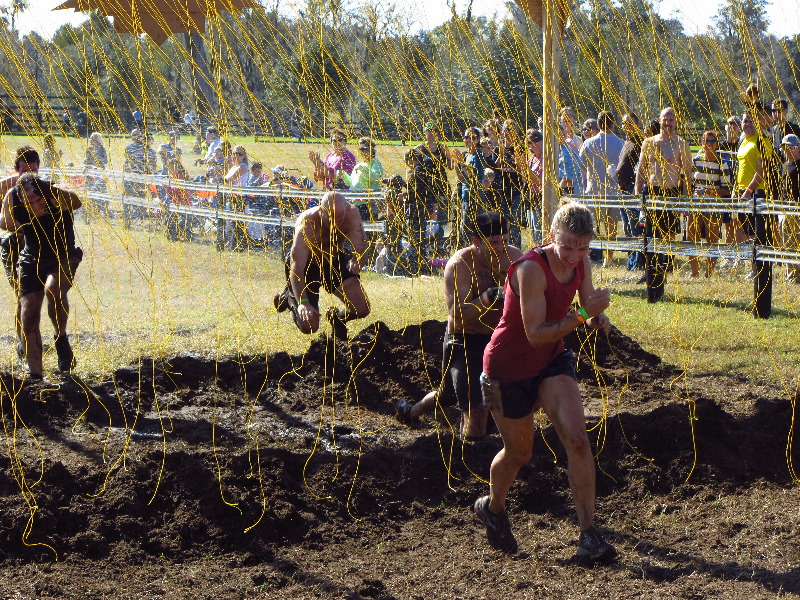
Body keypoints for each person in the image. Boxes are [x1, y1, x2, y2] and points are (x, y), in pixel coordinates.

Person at [474, 200, 616, 562]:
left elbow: (585, 305)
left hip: (551, 360)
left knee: (578, 440)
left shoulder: (580, 261)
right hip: (507, 368)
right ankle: (493, 508)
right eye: (567, 245)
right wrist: (585, 314)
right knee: (520, 453)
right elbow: (536, 333)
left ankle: (588, 535)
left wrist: (599, 319)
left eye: (582, 247)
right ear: (552, 237)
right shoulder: (530, 269)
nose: (574, 254)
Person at [395, 213, 523, 439]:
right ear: (476, 242)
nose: (500, 247)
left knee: (528, 392)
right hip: (466, 340)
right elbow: (458, 317)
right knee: (451, 399)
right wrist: (488, 297)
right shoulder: (460, 264)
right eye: (494, 242)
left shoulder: (515, 257)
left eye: (504, 239)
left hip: (502, 339)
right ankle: (411, 412)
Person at [1, 173, 83, 378]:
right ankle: (35, 375)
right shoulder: (14, 200)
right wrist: (11, 201)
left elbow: (77, 202)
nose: (36, 203)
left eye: (38, 198)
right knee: (28, 315)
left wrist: (52, 190)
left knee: (53, 290)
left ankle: (61, 339)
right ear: (22, 199)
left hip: (63, 256)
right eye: (30, 200)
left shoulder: (57, 196)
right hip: (31, 260)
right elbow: (7, 224)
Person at [273, 191, 370, 340]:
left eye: (340, 219)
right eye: (331, 219)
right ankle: (289, 298)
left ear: (346, 210)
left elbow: (362, 247)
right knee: (309, 326)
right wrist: (303, 303)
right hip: (306, 267)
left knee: (362, 309)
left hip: (333, 259)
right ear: (321, 211)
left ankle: (338, 319)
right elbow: (297, 267)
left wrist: (358, 261)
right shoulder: (307, 225)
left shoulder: (352, 214)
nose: (336, 224)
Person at [634, 107, 693, 301]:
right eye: (665, 119)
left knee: (668, 235)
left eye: (671, 120)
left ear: (676, 122)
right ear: (659, 120)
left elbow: (687, 175)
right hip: (652, 192)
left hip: (672, 192)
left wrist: (685, 200)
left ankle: (664, 271)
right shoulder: (649, 143)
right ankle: (650, 273)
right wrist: (637, 194)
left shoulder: (681, 144)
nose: (667, 123)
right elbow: (641, 170)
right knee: (651, 234)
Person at [579, 111, 624, 266]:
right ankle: (608, 258)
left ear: (598, 125)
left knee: (593, 225)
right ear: (613, 124)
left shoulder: (588, 143)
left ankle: (592, 255)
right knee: (612, 226)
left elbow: (582, 165)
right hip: (613, 190)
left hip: (595, 189)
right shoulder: (621, 143)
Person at [406, 122, 453, 266]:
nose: (432, 133)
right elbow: (410, 165)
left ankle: (439, 248)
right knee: (425, 217)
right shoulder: (419, 149)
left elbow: (449, 166)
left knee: (440, 218)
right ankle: (423, 248)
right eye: (429, 131)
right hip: (424, 188)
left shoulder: (441, 148)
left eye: (434, 131)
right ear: (424, 132)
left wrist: (450, 156)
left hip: (439, 186)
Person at [688, 130, 732, 277]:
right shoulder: (696, 161)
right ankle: (694, 272)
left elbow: (726, 189)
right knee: (691, 237)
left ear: (717, 144)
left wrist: (709, 192)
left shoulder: (722, 164)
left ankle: (709, 272)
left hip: (714, 206)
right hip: (696, 204)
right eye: (707, 141)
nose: (710, 144)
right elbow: (689, 183)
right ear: (702, 142)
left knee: (712, 239)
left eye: (713, 142)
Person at [342, 136, 383, 220]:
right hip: (356, 202)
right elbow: (351, 183)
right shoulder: (359, 165)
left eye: (365, 149)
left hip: (368, 203)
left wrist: (364, 169)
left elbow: (376, 177)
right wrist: (344, 175)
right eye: (361, 149)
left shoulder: (376, 163)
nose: (363, 152)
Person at [781, 133, 800, 283]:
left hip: (797, 210)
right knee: (788, 243)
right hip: (785, 210)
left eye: (791, 147)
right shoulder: (785, 166)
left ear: (798, 148)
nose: (787, 150)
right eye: (784, 147)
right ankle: (791, 275)